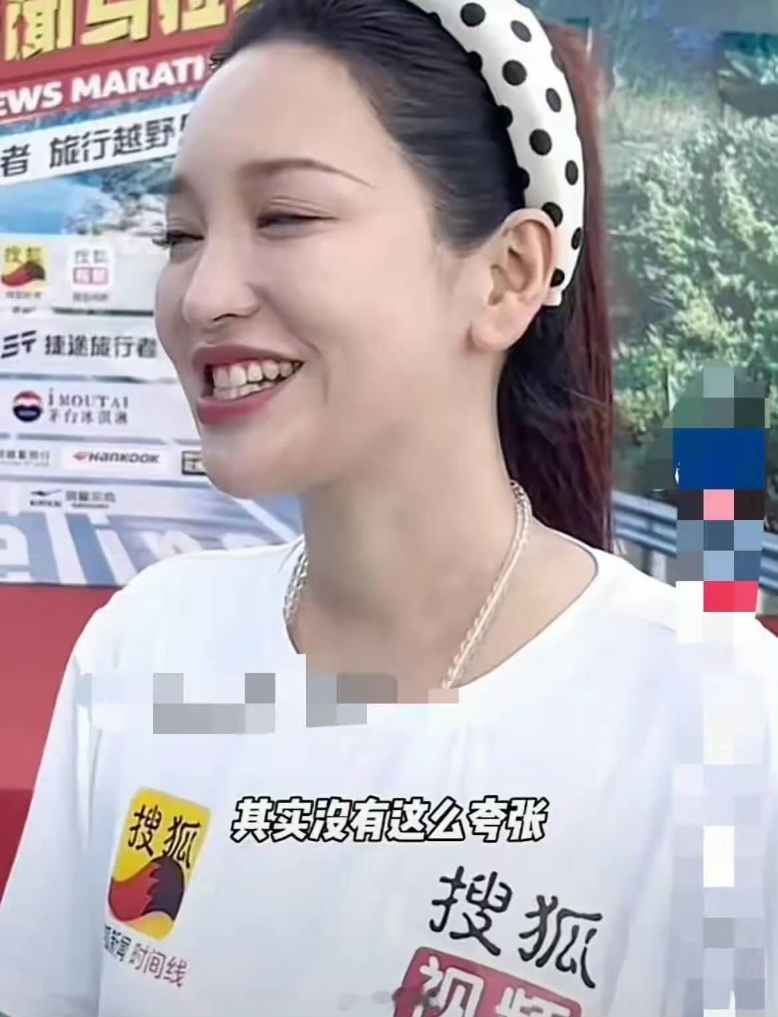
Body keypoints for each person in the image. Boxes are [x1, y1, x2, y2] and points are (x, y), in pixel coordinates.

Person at [0, 0, 775, 1014]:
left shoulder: (723, 722)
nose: (200, 295)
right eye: (182, 234)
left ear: (506, 276)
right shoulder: (145, 647)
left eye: (285, 216)